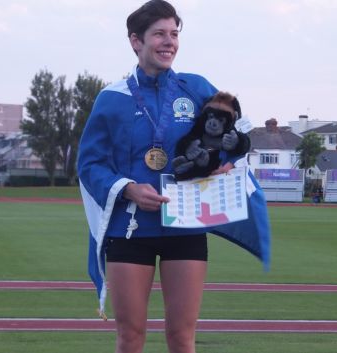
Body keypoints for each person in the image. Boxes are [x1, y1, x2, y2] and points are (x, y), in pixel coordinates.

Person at [77, 1, 269, 352]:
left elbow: (234, 133)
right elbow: (90, 164)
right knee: (130, 337)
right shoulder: (111, 98)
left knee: (182, 337)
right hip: (130, 228)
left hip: (187, 225)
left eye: (174, 34)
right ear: (136, 41)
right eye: (159, 34)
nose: (169, 42)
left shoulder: (195, 88)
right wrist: (129, 189)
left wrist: (225, 160)